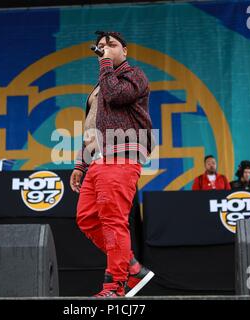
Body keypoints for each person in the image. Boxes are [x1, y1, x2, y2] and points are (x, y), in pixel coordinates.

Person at [70, 31, 154, 297]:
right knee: (86, 218)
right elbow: (91, 127)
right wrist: (80, 165)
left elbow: (117, 95)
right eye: (102, 46)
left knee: (113, 220)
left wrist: (105, 64)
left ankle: (115, 286)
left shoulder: (134, 75)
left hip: (122, 154)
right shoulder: (100, 85)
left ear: (125, 52)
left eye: (112, 45)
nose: (105, 49)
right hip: (97, 160)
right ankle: (130, 264)